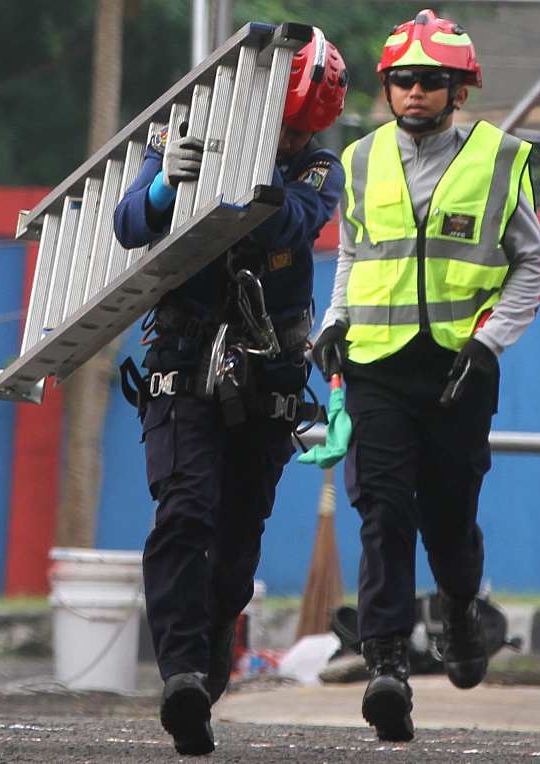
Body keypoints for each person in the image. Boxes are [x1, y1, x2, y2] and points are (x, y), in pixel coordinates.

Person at [312, 10, 540, 742]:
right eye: (402, 81)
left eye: (431, 82)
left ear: (459, 90)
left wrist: (491, 344)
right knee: (383, 511)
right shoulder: (357, 160)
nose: (415, 93)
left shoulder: (500, 158)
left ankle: (459, 610)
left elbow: (533, 264)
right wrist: (332, 323)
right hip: (376, 370)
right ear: (387, 89)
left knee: (449, 519)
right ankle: (386, 663)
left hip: (458, 372)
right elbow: (355, 255)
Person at [113, 28, 347, 756]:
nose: (287, 139)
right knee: (184, 511)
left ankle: (211, 647)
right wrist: (163, 182)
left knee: (236, 546)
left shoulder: (317, 169)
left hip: (269, 373)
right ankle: (181, 671)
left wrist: (238, 174)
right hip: (183, 360)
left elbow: (291, 221)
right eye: (279, 124)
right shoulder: (185, 134)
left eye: (298, 130)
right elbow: (128, 226)